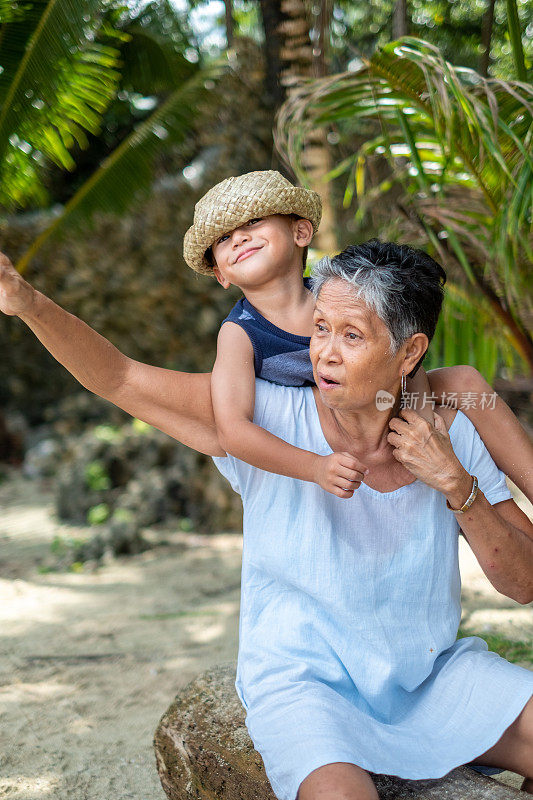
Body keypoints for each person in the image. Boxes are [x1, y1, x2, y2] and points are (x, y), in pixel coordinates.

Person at [0, 239, 532, 800]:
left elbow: (522, 585)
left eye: (351, 336)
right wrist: (28, 301)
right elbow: (119, 378)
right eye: (320, 327)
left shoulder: (447, 430)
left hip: (432, 677)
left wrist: (456, 485)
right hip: (307, 687)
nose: (324, 352)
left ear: (408, 352)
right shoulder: (265, 419)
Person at [183, 170, 532, 500]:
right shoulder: (239, 332)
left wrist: (421, 422)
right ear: (220, 274)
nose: (239, 237)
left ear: (301, 233)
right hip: (323, 420)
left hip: (379, 396)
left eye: (253, 221)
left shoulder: (337, 294)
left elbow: (403, 356)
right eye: (224, 238)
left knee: (466, 383)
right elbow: (232, 430)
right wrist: (314, 467)